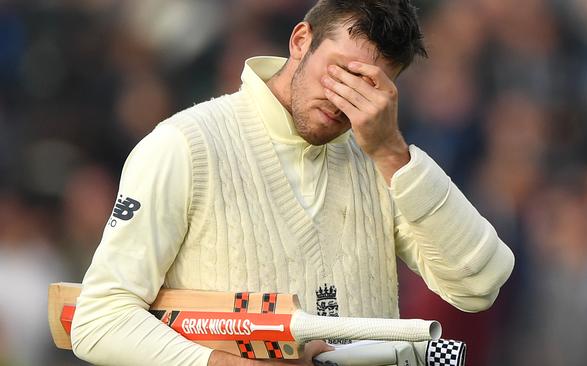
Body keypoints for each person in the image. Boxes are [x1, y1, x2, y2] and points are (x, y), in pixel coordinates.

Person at [71, 1, 515, 365]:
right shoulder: (183, 145)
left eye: (369, 86)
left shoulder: (384, 158)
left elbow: (479, 284)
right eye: (339, 71)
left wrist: (392, 154)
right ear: (301, 41)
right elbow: (99, 320)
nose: (345, 98)